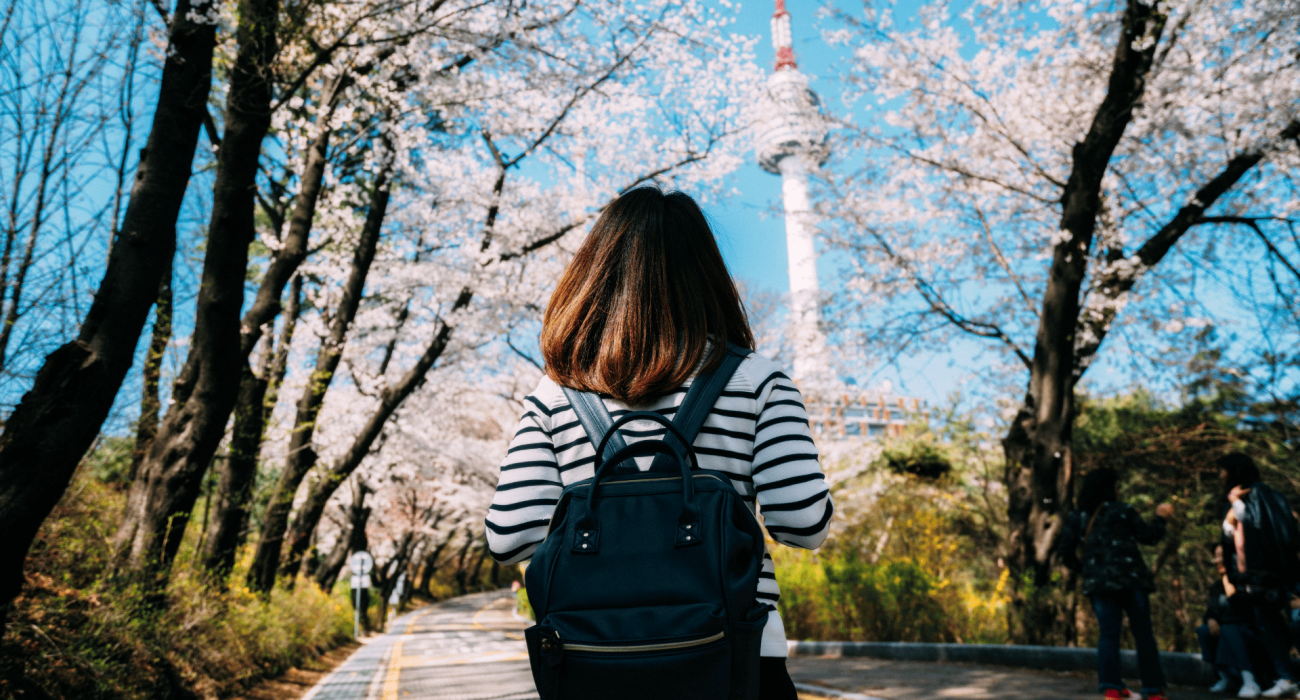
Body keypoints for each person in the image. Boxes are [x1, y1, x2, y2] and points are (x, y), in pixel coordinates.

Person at [483, 187, 834, 700]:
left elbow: (510, 537)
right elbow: (803, 525)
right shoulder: (759, 381)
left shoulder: (554, 395)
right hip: (738, 663)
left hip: (595, 664)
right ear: (706, 275)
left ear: (595, 278)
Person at [1059, 467, 1174, 700]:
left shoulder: (1076, 517)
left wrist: (1088, 570)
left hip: (1100, 586)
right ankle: (1153, 691)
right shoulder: (1123, 511)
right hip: (1132, 581)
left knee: (1108, 635)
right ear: (1109, 488)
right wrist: (1161, 517)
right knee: (1144, 634)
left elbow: (1065, 553)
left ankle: (1112, 689)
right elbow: (1149, 537)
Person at [1218, 453, 1300, 698]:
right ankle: (1286, 677)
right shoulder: (1233, 499)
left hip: (1276, 572)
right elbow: (1231, 535)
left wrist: (1235, 505)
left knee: (1294, 621)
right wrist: (1232, 508)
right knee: (1267, 624)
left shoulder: (1264, 494)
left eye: (1222, 470)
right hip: (1252, 578)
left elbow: (1266, 529)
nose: (1220, 475)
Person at [1199, 544, 1267, 697]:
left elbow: (1246, 612)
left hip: (1252, 637)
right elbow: (1211, 610)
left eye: (1222, 556)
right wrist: (1210, 619)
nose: (1218, 560)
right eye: (1216, 556)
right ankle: (1226, 677)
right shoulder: (1217, 585)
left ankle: (1250, 681)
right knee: (1204, 630)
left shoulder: (1248, 579)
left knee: (1229, 629)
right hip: (1227, 636)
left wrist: (1231, 590)